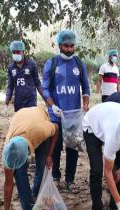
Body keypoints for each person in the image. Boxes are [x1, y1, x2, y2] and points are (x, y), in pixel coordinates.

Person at [0, 106, 59, 210]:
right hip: (21, 118)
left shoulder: (42, 131)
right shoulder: (9, 150)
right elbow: (8, 184)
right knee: (19, 175)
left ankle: (35, 198)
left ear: (28, 154)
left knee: (42, 168)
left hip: (38, 119)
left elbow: (56, 128)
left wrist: (50, 155)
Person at [42, 30, 90, 192]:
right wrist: (52, 105)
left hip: (74, 115)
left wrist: (85, 104)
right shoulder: (52, 63)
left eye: (72, 46)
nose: (69, 49)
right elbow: (45, 88)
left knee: (72, 147)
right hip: (56, 115)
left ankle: (70, 179)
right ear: (60, 45)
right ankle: (55, 176)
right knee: (54, 148)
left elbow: (86, 87)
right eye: (66, 46)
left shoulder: (78, 63)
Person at [5, 40, 46, 112]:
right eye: (14, 52)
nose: (16, 54)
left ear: (23, 52)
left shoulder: (31, 65)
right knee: (21, 122)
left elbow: (38, 84)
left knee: (31, 122)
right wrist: (6, 103)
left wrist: (46, 99)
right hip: (18, 102)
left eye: (18, 52)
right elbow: (10, 87)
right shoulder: (11, 68)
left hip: (31, 101)